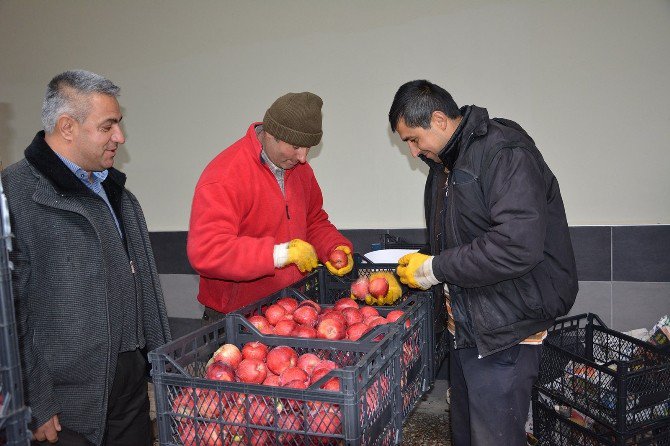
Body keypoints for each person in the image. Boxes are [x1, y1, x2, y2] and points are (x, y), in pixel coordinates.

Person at [390, 80, 578, 446]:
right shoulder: (445, 166)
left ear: (440, 120)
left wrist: (434, 268)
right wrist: (430, 265)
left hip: (506, 329)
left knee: (494, 437)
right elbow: (460, 240)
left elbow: (516, 245)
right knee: (467, 433)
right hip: (468, 327)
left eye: (413, 139)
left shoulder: (503, 152)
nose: (413, 152)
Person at [2, 70, 171, 445]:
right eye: (107, 126)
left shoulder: (117, 193)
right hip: (66, 400)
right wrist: (37, 402)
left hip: (128, 379)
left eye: (119, 124)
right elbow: (11, 314)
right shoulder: (15, 195)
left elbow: (146, 287)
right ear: (67, 127)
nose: (120, 137)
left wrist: (161, 371)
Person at [188, 92, 375, 322]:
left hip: (292, 308)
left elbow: (313, 220)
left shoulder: (300, 170)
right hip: (237, 318)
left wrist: (333, 247)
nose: (303, 157)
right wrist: (279, 254)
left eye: (308, 148)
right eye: (296, 146)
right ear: (272, 133)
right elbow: (208, 251)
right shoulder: (225, 175)